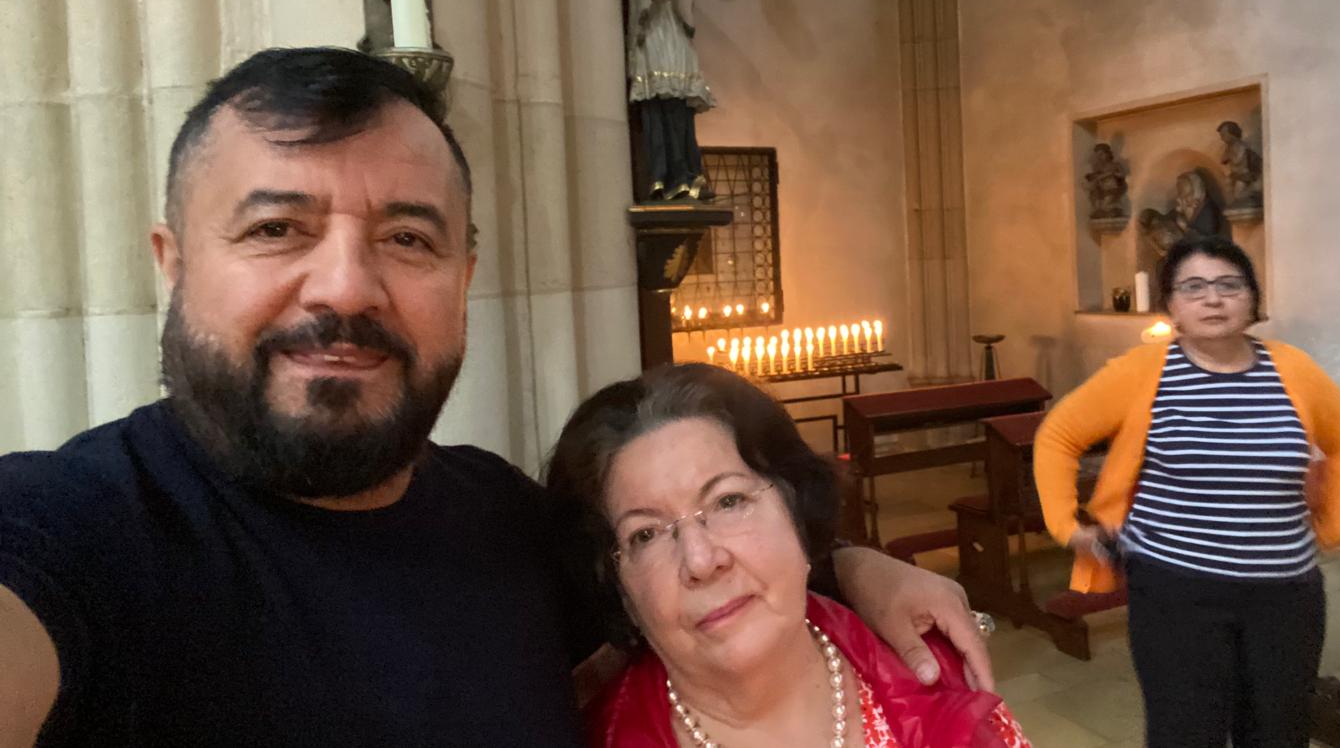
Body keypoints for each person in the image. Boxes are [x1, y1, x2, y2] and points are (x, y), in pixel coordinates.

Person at [0, 47, 990, 747]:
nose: (346, 287)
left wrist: (849, 565)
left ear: (463, 278)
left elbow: (700, 578)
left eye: (408, 238)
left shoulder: (506, 519)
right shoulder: (76, 535)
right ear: (173, 262)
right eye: (275, 230)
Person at [545, 363, 1029, 747]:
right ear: (620, 589)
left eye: (728, 502)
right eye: (646, 534)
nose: (700, 560)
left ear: (796, 511)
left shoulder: (936, 677)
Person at [1033, 235, 1340, 748]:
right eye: (1193, 287)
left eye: (1229, 285)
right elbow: (1059, 436)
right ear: (1171, 305)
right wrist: (1067, 525)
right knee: (1186, 733)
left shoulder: (1293, 369)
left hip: (1285, 593)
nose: (1212, 299)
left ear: (1253, 299)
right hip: (1176, 590)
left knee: (1280, 732)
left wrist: (1336, 526)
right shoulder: (1143, 372)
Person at [622, 0, 716, 201]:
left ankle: (688, 174)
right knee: (662, 104)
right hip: (653, 31)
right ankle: (664, 176)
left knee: (680, 105)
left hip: (673, 31)